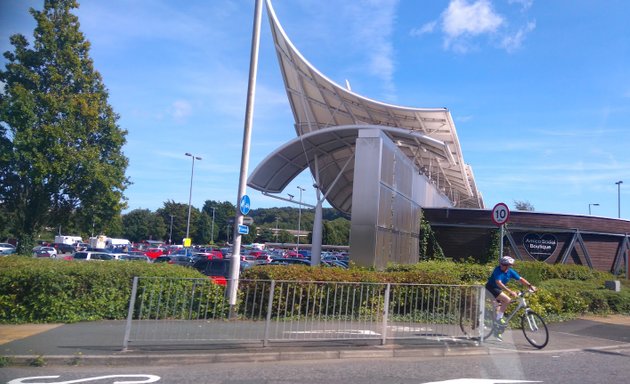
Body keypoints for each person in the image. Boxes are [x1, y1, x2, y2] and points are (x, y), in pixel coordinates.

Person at [485, 256, 536, 340]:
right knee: (507, 300)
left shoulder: (510, 272)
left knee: (498, 309)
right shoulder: (497, 270)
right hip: (491, 288)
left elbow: (520, 279)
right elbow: (499, 283)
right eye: (502, 264)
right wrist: (510, 291)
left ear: (508, 266)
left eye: (506, 265)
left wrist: (530, 286)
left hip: (497, 290)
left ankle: (497, 331)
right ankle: (498, 320)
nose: (502, 266)